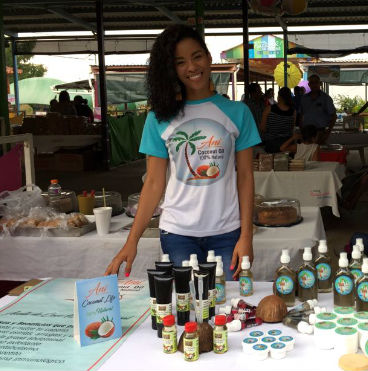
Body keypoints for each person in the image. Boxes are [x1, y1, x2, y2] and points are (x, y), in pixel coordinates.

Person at [104, 25, 261, 280]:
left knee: (226, 308)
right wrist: (131, 241)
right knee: (186, 309)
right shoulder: (159, 118)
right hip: (177, 235)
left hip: (227, 234)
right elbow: (154, 183)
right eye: (180, 62)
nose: (191, 67)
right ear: (171, 70)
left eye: (196, 56)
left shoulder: (238, 113)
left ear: (208, 58)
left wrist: (246, 236)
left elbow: (245, 177)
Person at [300, 74, 336, 143]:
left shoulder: (326, 98)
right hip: (306, 133)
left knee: (319, 152)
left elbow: (334, 116)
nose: (314, 85)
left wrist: (328, 132)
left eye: (316, 82)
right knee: (306, 153)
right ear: (309, 84)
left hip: (320, 133)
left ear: (320, 84)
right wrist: (302, 131)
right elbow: (301, 116)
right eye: (312, 83)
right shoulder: (303, 99)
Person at [260, 87, 296, 153]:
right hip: (288, 144)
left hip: (272, 145)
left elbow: (262, 128)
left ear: (279, 96)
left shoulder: (269, 109)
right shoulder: (293, 111)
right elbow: (292, 129)